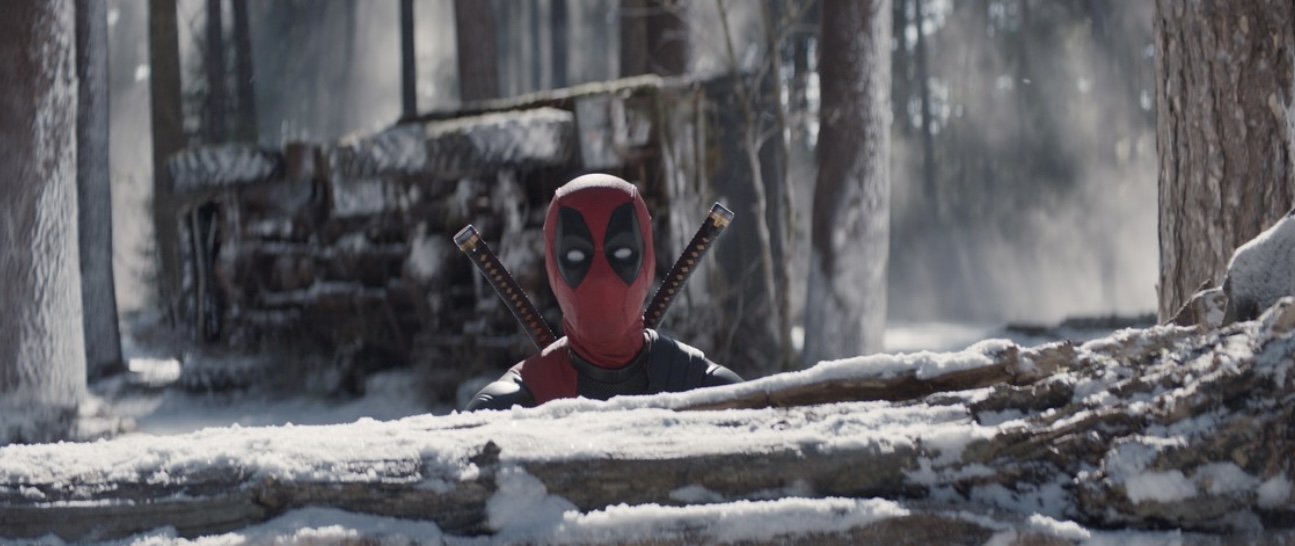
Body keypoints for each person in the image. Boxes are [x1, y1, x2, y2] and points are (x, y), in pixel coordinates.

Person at [465, 174, 742, 411]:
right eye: (576, 256)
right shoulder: (511, 406)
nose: (601, 277)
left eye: (621, 253)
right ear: (552, 268)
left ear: (647, 260)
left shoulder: (710, 391)